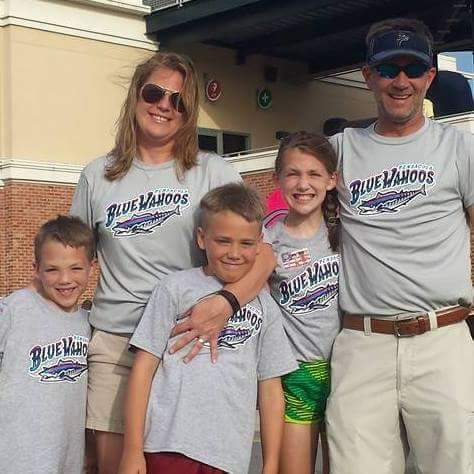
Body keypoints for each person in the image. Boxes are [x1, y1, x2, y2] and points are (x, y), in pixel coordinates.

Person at [70, 52, 275, 473]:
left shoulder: (212, 171)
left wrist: (226, 303)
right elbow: (71, 258)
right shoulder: (97, 175)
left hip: (189, 343)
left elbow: (264, 255)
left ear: (188, 111)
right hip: (118, 346)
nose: (164, 105)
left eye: (178, 100)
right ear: (136, 95)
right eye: (154, 93)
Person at [326, 18, 473, 474]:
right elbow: (284, 222)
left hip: (443, 338)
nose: (401, 81)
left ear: (430, 75)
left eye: (413, 69)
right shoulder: (338, 150)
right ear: (368, 75)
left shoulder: (459, 147)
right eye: (389, 69)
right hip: (362, 342)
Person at [118, 183, 298, 474]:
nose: (234, 253)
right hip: (167, 446)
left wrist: (271, 464)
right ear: (202, 238)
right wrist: (132, 450)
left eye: (246, 243)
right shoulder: (174, 289)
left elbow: (270, 390)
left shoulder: (266, 307)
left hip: (229, 458)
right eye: (223, 241)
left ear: (260, 244)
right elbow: (143, 368)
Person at [264, 132, 340, 474]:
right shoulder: (266, 238)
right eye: (293, 173)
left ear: (331, 179)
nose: (303, 184)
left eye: (313, 174)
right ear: (278, 178)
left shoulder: (347, 232)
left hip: (347, 369)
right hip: (297, 374)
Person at [0, 215, 95, 473]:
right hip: (15, 458)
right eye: (52, 270)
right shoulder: (14, 309)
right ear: (36, 269)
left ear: (91, 267)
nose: (65, 279)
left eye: (75, 268)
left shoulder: (89, 323)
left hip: (66, 460)